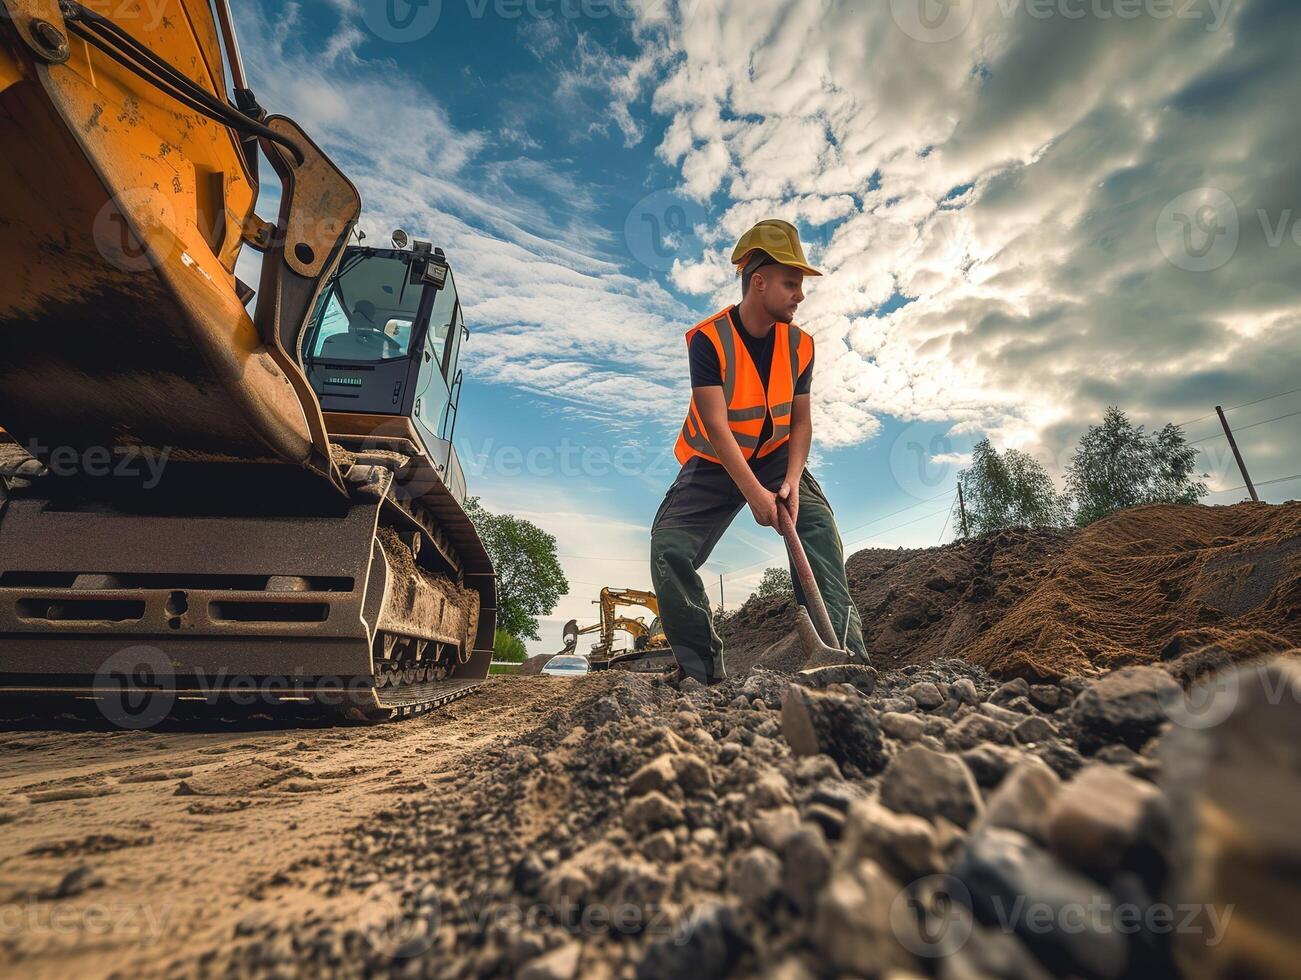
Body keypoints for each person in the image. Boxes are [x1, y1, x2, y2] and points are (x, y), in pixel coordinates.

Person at [649, 219, 868, 684]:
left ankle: (847, 660)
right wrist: (754, 495)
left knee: (818, 528)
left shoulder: (801, 345)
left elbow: (802, 421)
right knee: (669, 549)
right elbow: (716, 424)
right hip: (713, 460)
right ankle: (702, 671)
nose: (800, 295)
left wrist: (790, 480)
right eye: (792, 283)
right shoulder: (708, 339)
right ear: (759, 281)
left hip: (775, 457)